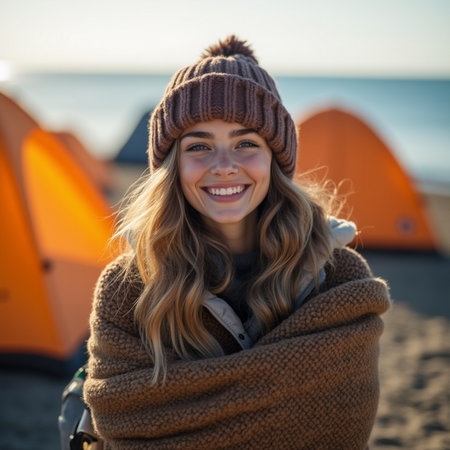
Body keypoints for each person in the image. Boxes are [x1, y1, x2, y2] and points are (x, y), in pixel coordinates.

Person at [84, 35, 390, 449]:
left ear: (275, 159)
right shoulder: (126, 289)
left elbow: (345, 425)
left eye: (246, 143)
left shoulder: (339, 276)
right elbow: (116, 417)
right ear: (172, 167)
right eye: (199, 146)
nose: (224, 166)